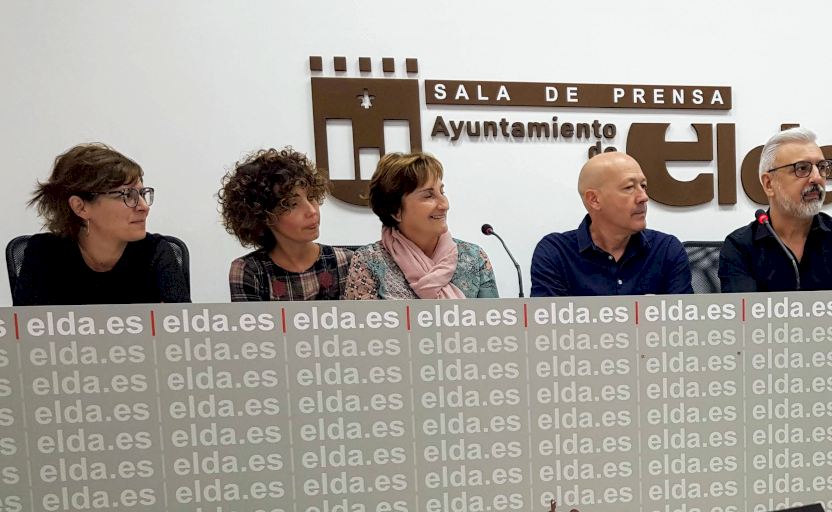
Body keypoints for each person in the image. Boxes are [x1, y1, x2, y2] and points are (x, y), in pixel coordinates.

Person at [15, 143, 189, 305]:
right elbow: (26, 326)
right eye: (127, 195)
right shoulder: (44, 254)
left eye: (142, 194)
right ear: (80, 207)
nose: (144, 207)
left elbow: (179, 325)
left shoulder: (156, 252)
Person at [719, 127, 832, 292]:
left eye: (821, 167)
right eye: (802, 168)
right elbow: (744, 309)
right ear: (769, 184)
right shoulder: (740, 247)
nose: (817, 178)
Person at [530, 152, 692, 297]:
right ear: (594, 199)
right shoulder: (556, 253)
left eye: (643, 186)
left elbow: (685, 318)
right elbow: (548, 319)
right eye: (629, 187)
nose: (643, 197)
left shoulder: (666, 249)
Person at [344, 152, 497, 299]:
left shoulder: (474, 257)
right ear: (395, 210)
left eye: (442, 192)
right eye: (429, 195)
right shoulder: (369, 261)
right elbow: (360, 318)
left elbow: (492, 316)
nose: (445, 205)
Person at [218, 148, 351, 301]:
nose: (312, 211)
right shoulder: (249, 271)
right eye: (292, 204)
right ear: (263, 215)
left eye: (311, 197)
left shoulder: (346, 262)